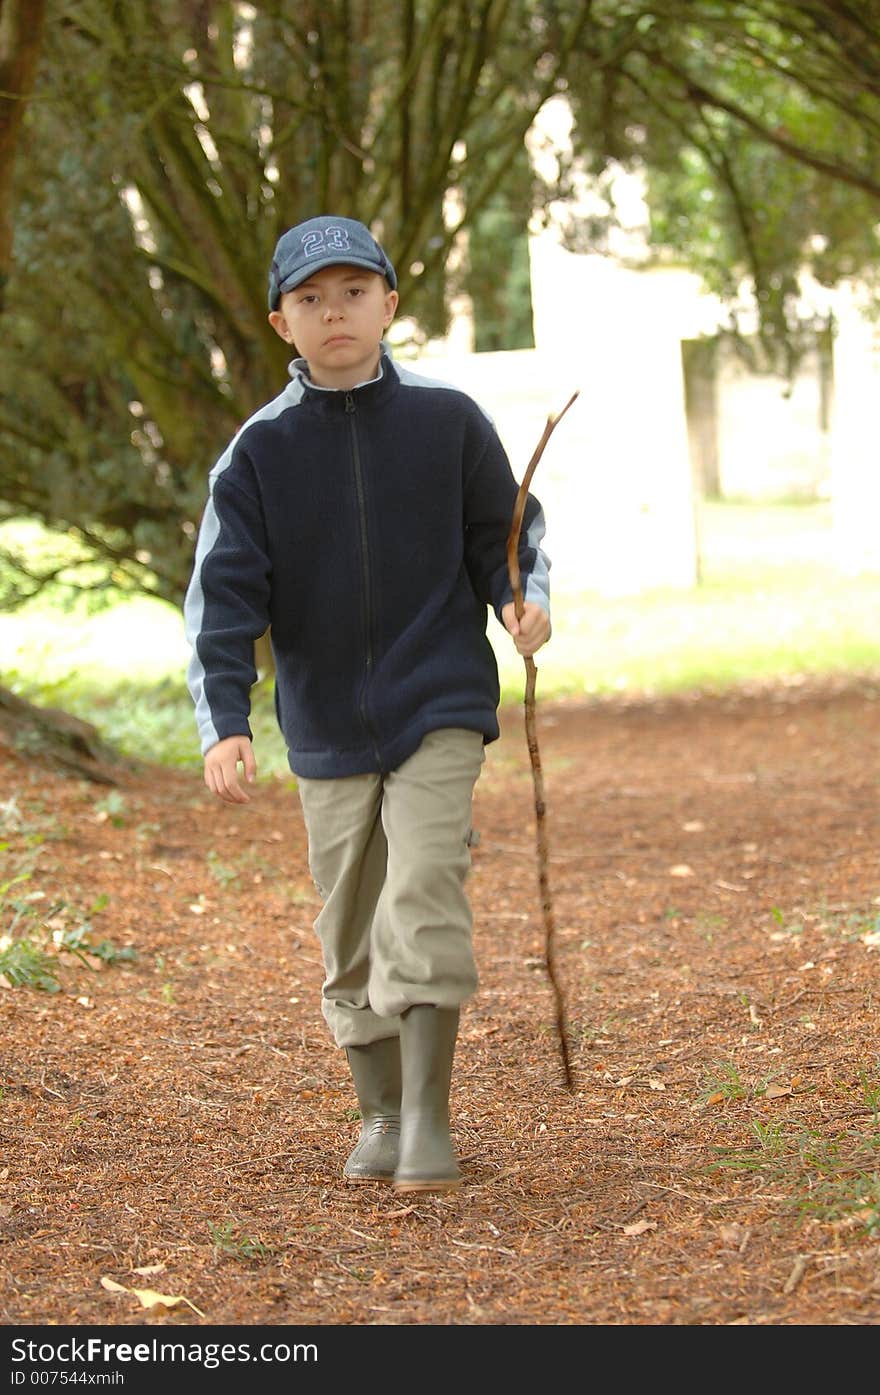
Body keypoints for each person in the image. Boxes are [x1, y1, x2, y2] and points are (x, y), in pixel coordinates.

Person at [184, 214, 551, 1193]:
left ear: (389, 304)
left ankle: (429, 1120)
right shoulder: (258, 454)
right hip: (326, 719)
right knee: (348, 922)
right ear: (281, 323)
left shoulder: (448, 420)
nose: (334, 312)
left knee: (424, 883)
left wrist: (523, 598)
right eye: (311, 299)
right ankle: (381, 1111)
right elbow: (223, 600)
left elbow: (501, 532)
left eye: (353, 293)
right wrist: (224, 718)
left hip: (439, 696)